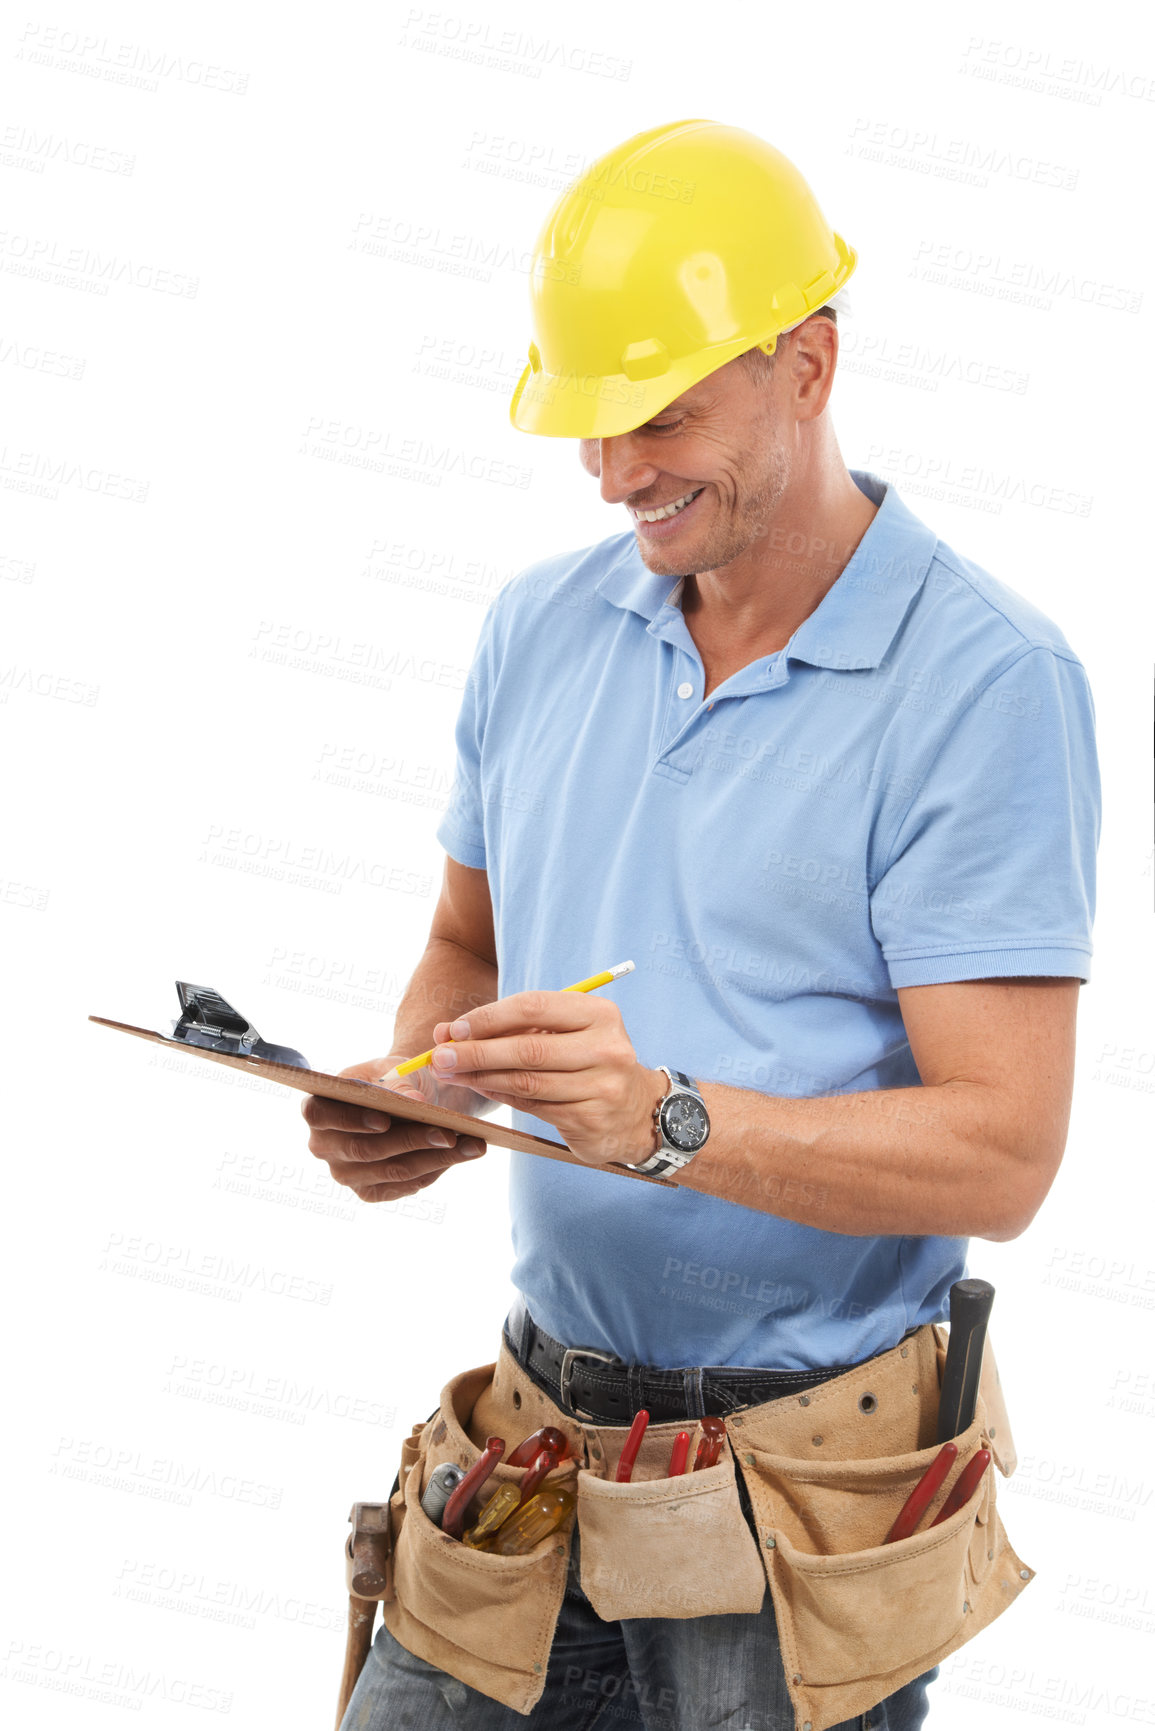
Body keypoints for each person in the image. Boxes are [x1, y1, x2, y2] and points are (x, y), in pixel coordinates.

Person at [304, 121, 1100, 1731]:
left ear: (808, 366)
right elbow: (467, 942)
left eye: (660, 416)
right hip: (527, 1459)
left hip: (797, 1502)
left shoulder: (986, 687)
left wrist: (663, 1122)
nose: (615, 474)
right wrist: (427, 1085)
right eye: (589, 427)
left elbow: (1005, 1158)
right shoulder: (538, 628)